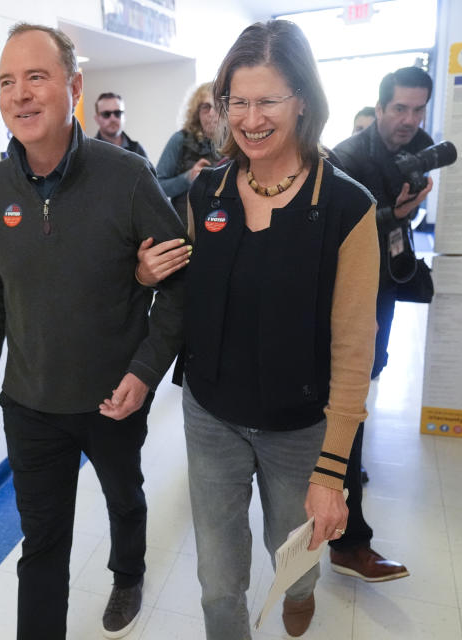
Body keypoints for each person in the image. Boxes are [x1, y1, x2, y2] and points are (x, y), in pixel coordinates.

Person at [139, 20, 379, 638]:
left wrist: (332, 473)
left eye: (267, 100)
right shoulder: (208, 190)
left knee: (292, 557)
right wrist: (147, 272)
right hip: (211, 413)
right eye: (237, 102)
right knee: (219, 582)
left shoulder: (348, 208)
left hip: (299, 426)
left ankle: (302, 592)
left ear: (302, 99)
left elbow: (355, 349)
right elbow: (176, 283)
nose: (250, 119)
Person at [0, 23, 185, 640]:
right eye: (8, 81)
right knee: (42, 545)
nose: (21, 94)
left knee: (123, 495)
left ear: (74, 87)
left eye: (37, 77)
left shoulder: (128, 176)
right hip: (29, 404)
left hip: (111, 397)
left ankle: (128, 570)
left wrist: (143, 375)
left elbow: (179, 286)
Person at [327, 66, 434, 584]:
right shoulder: (347, 158)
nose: (410, 120)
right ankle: (350, 538)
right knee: (346, 397)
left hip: (385, 288)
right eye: (400, 109)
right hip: (347, 300)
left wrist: (405, 213)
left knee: (363, 385)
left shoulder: (419, 145)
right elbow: (338, 239)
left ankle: (337, 474)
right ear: (381, 105)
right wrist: (397, 214)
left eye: (418, 109)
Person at [156, 82, 222, 216]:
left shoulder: (237, 142)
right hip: (186, 224)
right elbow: (157, 186)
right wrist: (188, 177)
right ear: (197, 112)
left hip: (222, 220)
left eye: (218, 106)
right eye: (206, 107)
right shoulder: (180, 139)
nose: (211, 113)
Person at [93, 91, 148, 158]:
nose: (113, 119)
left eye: (117, 113)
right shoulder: (89, 152)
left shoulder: (138, 150)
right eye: (106, 114)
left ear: (124, 116)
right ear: (97, 119)